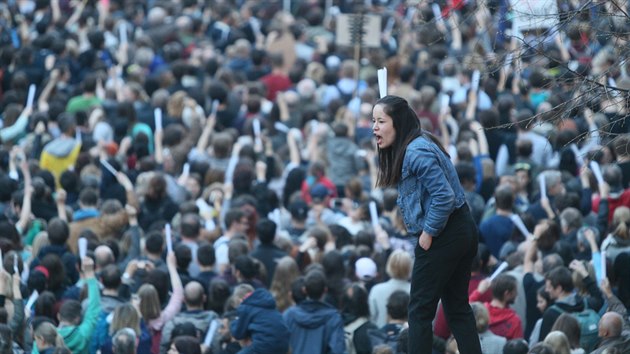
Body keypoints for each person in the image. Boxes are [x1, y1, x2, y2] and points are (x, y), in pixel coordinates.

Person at [372, 95, 481, 353]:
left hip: (444, 233)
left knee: (419, 311)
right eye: (373, 121)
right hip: (461, 228)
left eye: (380, 121)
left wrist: (428, 233)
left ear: (397, 123)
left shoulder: (415, 151)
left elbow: (444, 196)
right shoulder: (417, 144)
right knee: (457, 308)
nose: (374, 127)